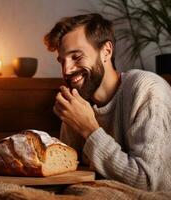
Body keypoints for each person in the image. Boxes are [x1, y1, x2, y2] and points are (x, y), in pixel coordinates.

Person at [44, 13, 171, 191]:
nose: (66, 70)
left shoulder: (148, 89)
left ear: (106, 51)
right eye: (62, 61)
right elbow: (67, 175)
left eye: (76, 57)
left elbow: (148, 182)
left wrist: (89, 130)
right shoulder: (78, 101)